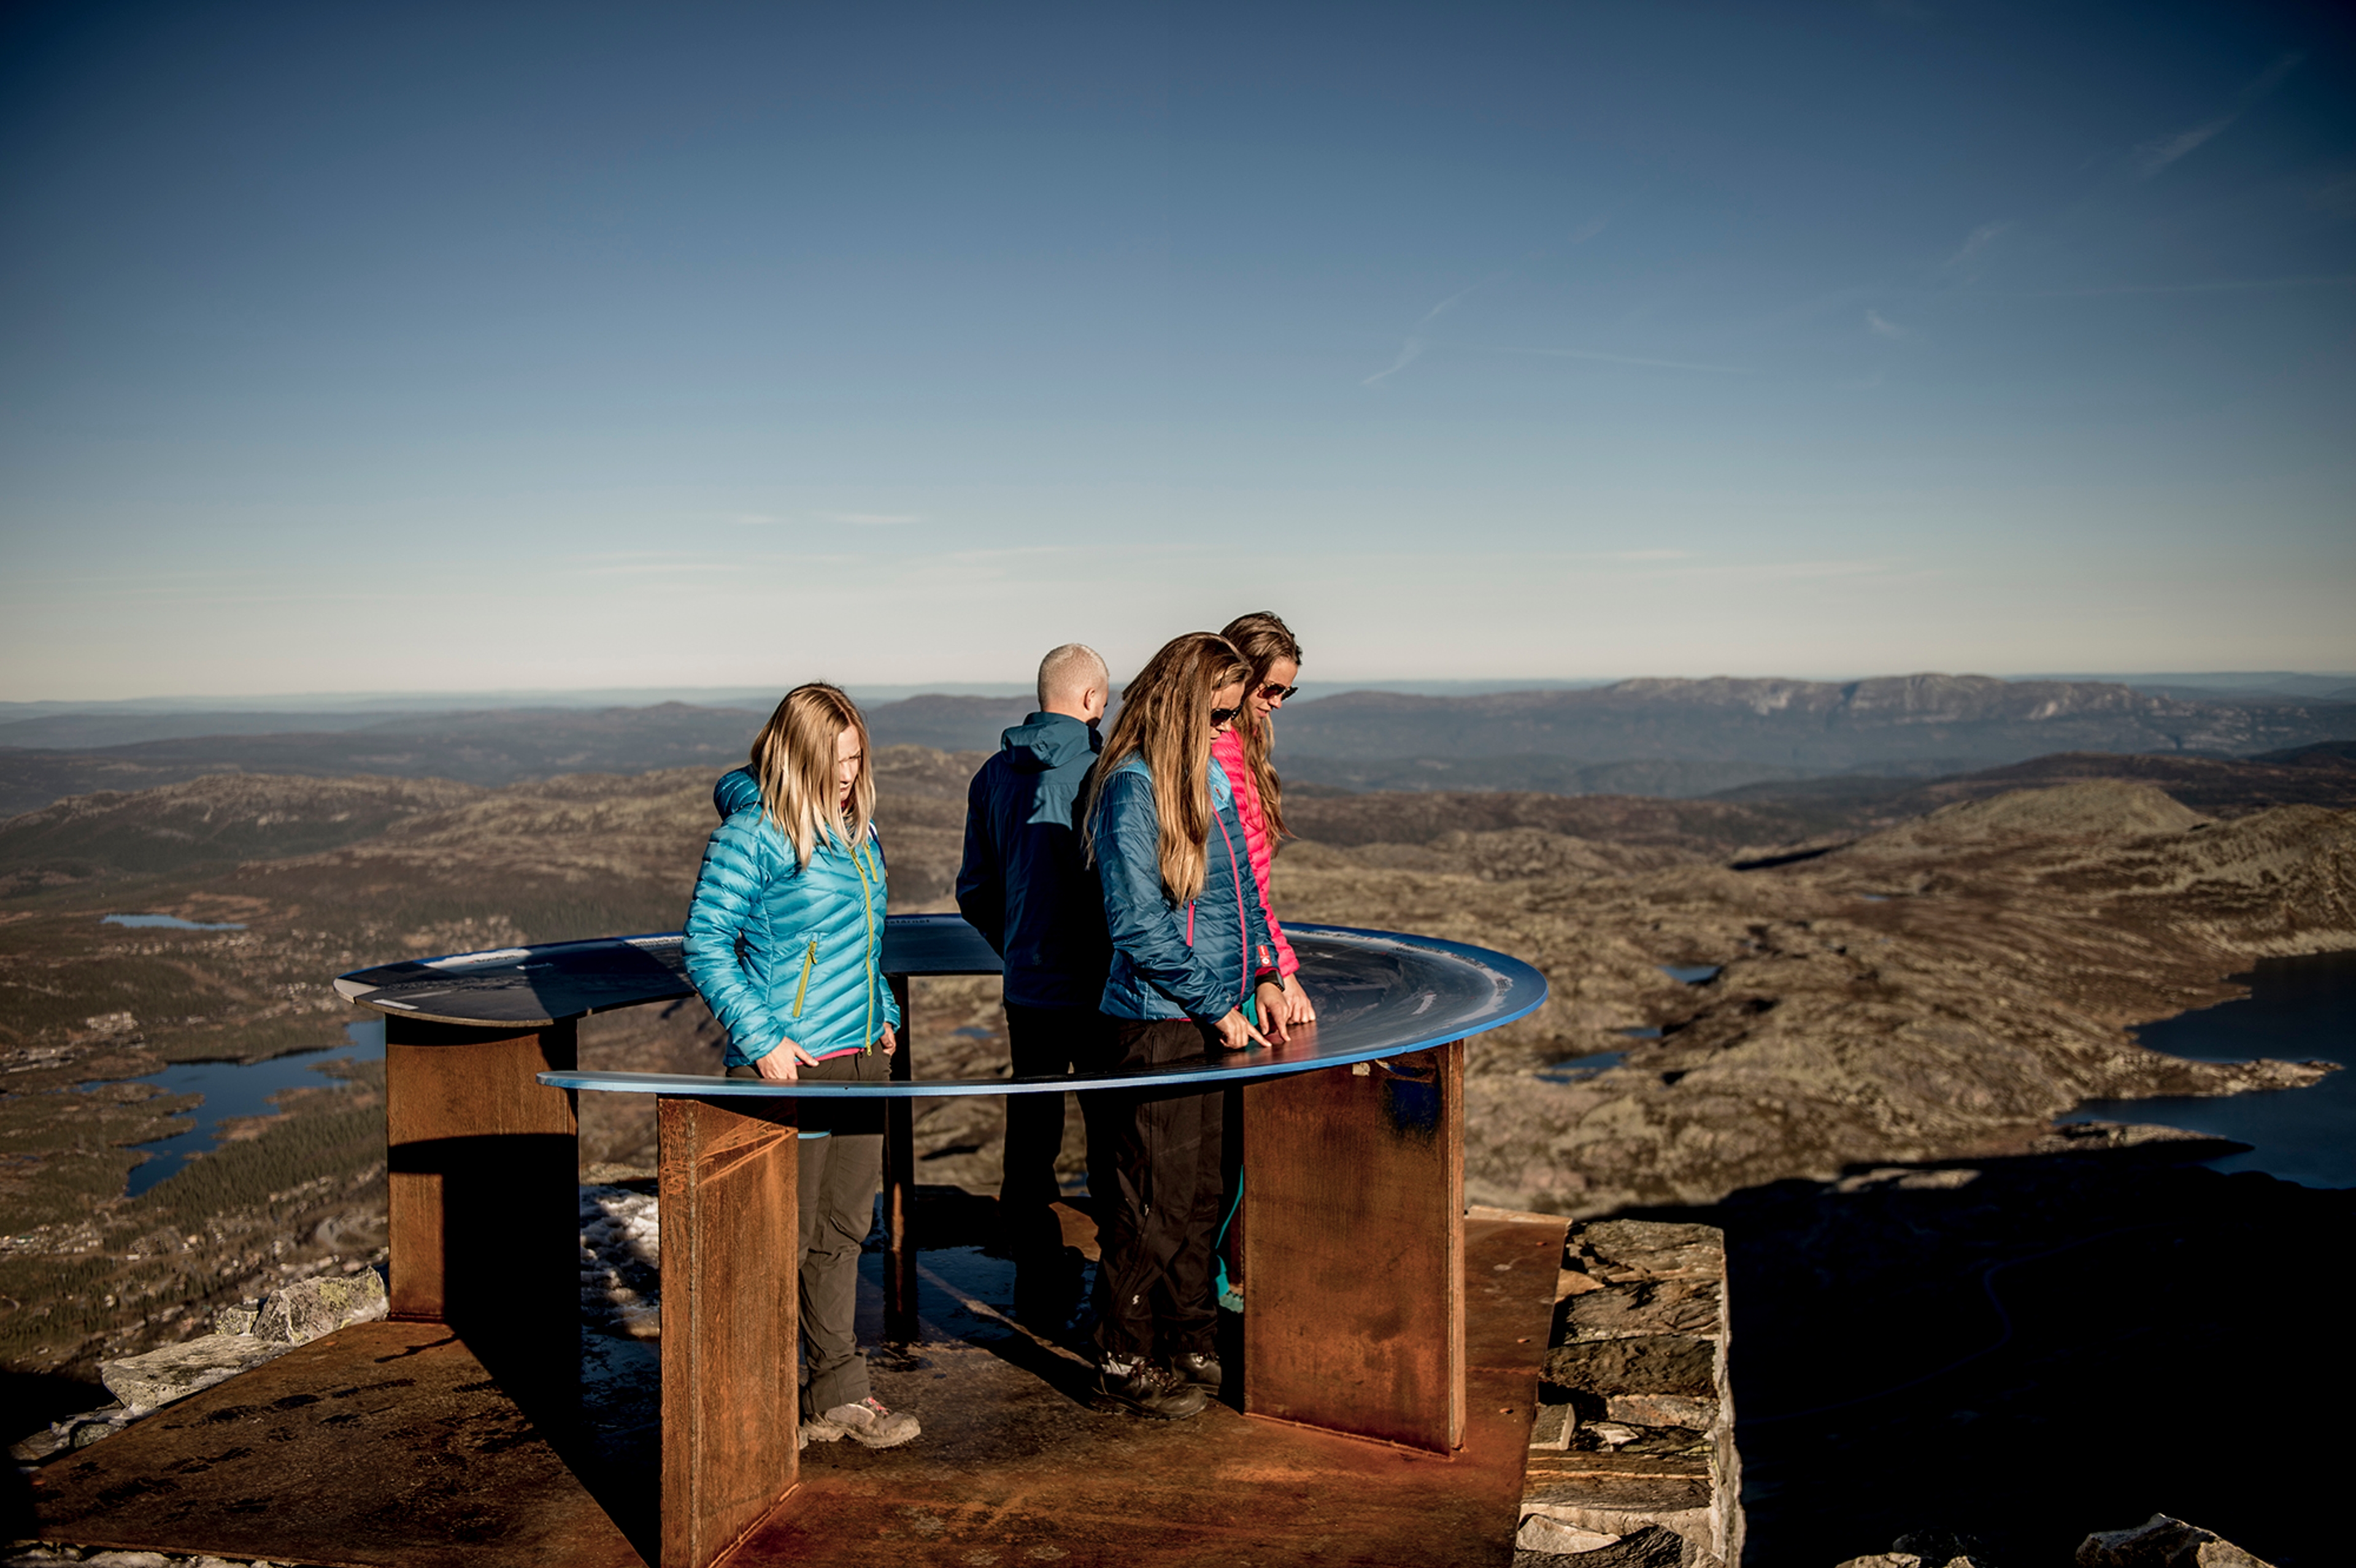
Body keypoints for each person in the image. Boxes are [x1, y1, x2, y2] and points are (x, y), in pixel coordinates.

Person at [683, 683, 920, 1451]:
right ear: (797, 757)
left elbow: (864, 943)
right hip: (786, 1071)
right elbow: (706, 943)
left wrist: (881, 1009)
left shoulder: (859, 831)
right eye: (835, 761)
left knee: (842, 1231)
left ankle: (836, 1394)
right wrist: (761, 1038)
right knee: (771, 1242)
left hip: (857, 1064)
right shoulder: (754, 834)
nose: (849, 774)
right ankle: (750, 1406)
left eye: (856, 759)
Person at [1082, 631, 1288, 1421]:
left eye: (1230, 716)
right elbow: (1137, 924)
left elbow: (1241, 897)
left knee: (1200, 1196)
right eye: (1214, 716)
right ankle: (1124, 1355)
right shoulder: (1133, 789)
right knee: (1153, 1202)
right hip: (1159, 1022)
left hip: (1215, 1015)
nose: (1224, 731)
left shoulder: (1206, 779)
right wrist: (1217, 1002)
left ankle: (1188, 1336)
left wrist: (1266, 974)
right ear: (1178, 707)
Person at [954, 643, 1115, 1288]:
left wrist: (1017, 941)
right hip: (1104, 988)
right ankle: (1121, 1277)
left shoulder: (993, 775)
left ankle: (1036, 1265)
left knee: (1032, 1132)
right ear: (1091, 701)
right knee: (1113, 1132)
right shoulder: (1110, 770)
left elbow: (973, 889)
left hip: (1028, 987)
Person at [1207, 612, 1314, 1318]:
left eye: (1287, 694)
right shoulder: (1218, 756)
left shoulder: (1244, 748)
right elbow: (1237, 877)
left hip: (1252, 958)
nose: (1277, 704)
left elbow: (1255, 881)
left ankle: (1224, 1280)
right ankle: (1217, 1287)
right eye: (1270, 690)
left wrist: (1278, 962)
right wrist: (1276, 969)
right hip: (1233, 966)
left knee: (1235, 1141)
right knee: (1224, 1148)